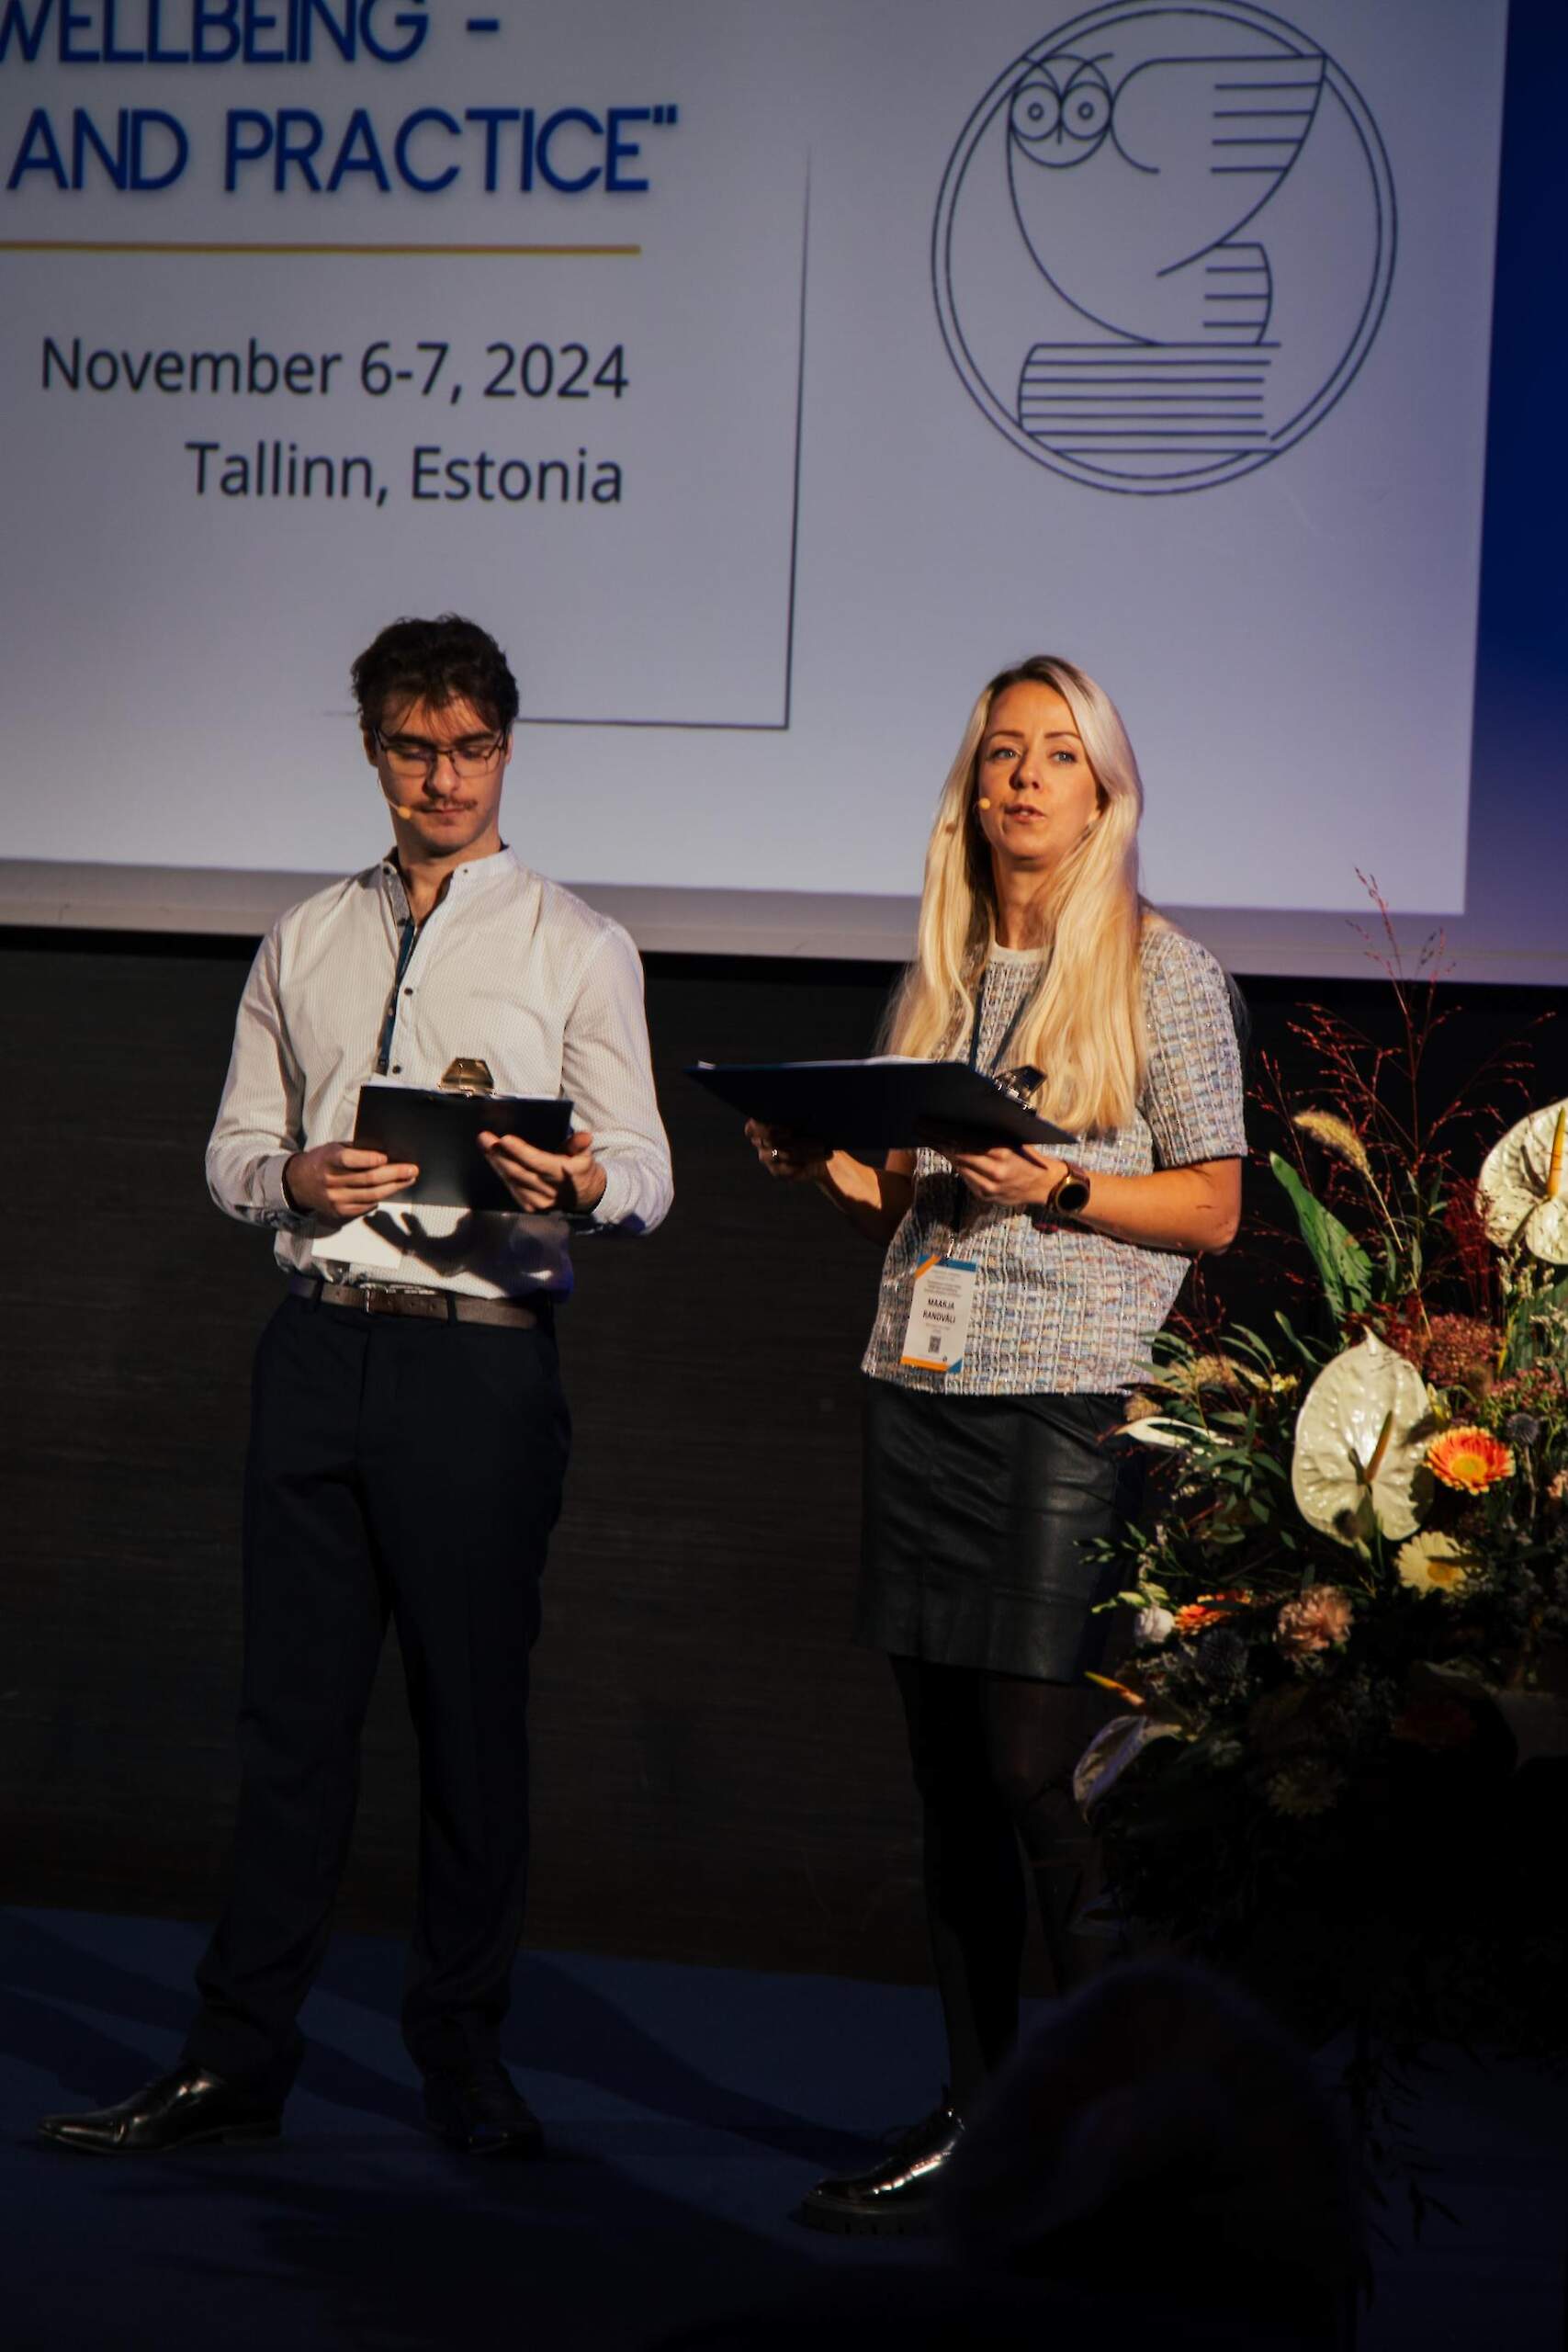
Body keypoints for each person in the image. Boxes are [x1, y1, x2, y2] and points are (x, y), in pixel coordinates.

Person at [39, 614, 672, 2160]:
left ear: (505, 751)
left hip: (481, 1361)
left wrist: (584, 1181)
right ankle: (237, 2057)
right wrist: (293, 1178)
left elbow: (650, 1172)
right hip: (321, 1345)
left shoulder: (577, 944)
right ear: (373, 751)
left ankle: (464, 2059)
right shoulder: (304, 936)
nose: (442, 777)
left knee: (471, 1725)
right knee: (292, 1723)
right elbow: (231, 1149)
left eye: (469, 749)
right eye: (412, 748)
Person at [745, 654, 1245, 2232]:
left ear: (1105, 793)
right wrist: (821, 1160)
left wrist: (1066, 1187)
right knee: (950, 1780)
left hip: (1065, 1405)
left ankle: (1126, 2133)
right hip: (923, 1391)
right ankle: (976, 2114)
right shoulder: (948, 977)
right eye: (1002, 753)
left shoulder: (1163, 970)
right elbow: (909, 1209)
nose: (1023, 778)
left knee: (1038, 1771)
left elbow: (1215, 1205)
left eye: (1057, 754)